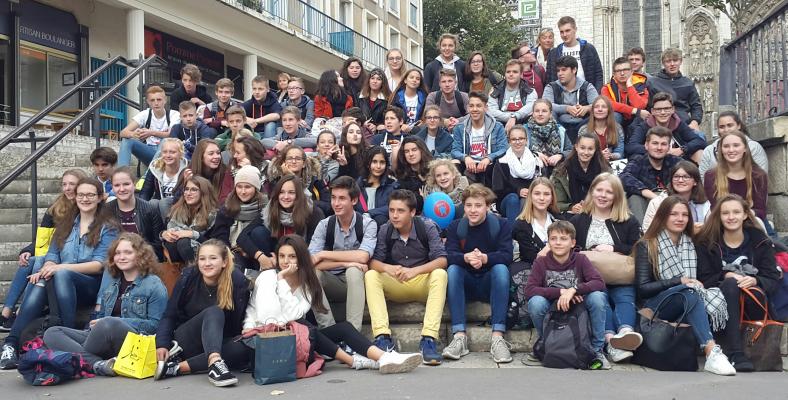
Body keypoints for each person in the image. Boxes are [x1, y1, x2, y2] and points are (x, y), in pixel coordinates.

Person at [245, 235, 422, 374]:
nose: (286, 261)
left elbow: (296, 313)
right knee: (306, 327)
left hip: (294, 340)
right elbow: (270, 318)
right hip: (263, 340)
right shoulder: (269, 278)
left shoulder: (307, 284)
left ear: (301, 259)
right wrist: (282, 280)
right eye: (282, 256)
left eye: (292, 256)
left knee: (341, 328)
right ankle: (356, 361)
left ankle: (383, 357)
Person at [1, 178, 119, 369]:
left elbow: (99, 265)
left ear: (100, 198)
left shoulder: (109, 226)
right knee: (40, 279)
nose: (85, 198)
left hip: (90, 285)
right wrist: (48, 266)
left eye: (90, 195)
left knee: (60, 275)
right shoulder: (66, 224)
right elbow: (52, 254)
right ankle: (10, 344)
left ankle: (67, 331)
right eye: (81, 195)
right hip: (59, 283)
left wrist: (59, 268)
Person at [634, 196, 736, 376]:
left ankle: (715, 352)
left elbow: (704, 278)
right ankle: (711, 351)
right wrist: (678, 281)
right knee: (689, 292)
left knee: (694, 293)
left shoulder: (693, 244)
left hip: (688, 300)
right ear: (663, 216)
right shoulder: (647, 244)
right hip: (656, 306)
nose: (680, 219)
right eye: (673, 214)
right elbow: (642, 289)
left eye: (684, 215)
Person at [42, 233, 168, 376]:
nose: (121, 257)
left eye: (128, 252)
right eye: (118, 253)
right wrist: (95, 324)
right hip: (102, 336)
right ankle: (98, 363)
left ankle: (80, 358)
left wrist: (116, 321)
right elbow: (101, 317)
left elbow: (156, 325)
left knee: (108, 323)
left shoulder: (153, 284)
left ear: (140, 255)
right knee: (52, 333)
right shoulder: (112, 283)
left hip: (133, 342)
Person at [696, 194, 781, 372]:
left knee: (737, 286)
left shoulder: (760, 241)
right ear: (719, 216)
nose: (731, 217)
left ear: (745, 215)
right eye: (725, 213)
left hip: (753, 302)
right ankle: (736, 353)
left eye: (736, 212)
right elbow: (703, 278)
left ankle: (735, 353)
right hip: (718, 305)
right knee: (729, 284)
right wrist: (725, 276)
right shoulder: (707, 243)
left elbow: (772, 279)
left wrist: (755, 280)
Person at [366, 189, 448, 365]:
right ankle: (382, 337)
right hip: (397, 281)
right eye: (391, 210)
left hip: (421, 282)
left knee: (440, 275)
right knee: (372, 275)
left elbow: (442, 260)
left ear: (412, 212)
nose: (394, 215)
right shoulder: (385, 230)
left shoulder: (427, 227)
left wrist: (415, 271)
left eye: (400, 211)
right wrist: (388, 268)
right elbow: (373, 263)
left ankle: (428, 340)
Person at [0, 169, 88, 331]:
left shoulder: (85, 206)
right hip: (53, 252)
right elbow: (43, 237)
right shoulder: (57, 206)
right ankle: (6, 311)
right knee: (28, 261)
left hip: (69, 257)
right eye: (64, 184)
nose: (68, 188)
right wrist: (28, 249)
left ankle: (22, 312)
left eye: (72, 184)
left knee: (39, 260)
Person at [154, 240, 251, 386]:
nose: (207, 263)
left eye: (213, 258)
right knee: (214, 312)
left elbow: (237, 324)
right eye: (202, 259)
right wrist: (162, 344)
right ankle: (215, 362)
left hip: (217, 342)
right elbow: (170, 315)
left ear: (224, 262)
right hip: (186, 341)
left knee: (245, 346)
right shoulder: (188, 277)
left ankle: (176, 368)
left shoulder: (237, 281)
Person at [569, 173, 642, 362]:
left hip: (619, 274)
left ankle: (626, 332)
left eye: (609, 192)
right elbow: (570, 248)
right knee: (600, 298)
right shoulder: (579, 220)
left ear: (617, 196)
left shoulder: (629, 221)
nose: (603, 195)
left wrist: (614, 248)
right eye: (599, 190)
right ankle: (611, 341)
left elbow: (638, 248)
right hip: (590, 276)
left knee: (624, 295)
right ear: (592, 191)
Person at [525, 220, 610, 369]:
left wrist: (574, 290)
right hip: (553, 307)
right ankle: (545, 344)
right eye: (553, 239)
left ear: (572, 243)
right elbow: (530, 289)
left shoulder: (581, 259)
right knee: (536, 302)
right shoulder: (541, 262)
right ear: (548, 242)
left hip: (578, 305)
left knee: (598, 297)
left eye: (563, 239)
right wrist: (560, 292)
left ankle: (597, 350)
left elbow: (599, 282)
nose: (558, 243)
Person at [443, 184, 513, 363]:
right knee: (452, 270)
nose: (473, 210)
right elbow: (449, 256)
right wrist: (465, 258)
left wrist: (484, 258)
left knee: (501, 269)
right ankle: (459, 336)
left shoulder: (501, 224)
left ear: (487, 206)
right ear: (463, 206)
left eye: (478, 205)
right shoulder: (455, 227)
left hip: (490, 282)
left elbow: (507, 255)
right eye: (468, 205)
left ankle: (497, 337)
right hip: (465, 282)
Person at [308, 176, 378, 331]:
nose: (336, 203)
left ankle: (353, 333)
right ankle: (329, 330)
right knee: (312, 273)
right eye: (333, 198)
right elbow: (312, 261)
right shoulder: (324, 225)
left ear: (353, 201)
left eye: (341, 198)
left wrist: (324, 254)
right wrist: (345, 262)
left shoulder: (367, 224)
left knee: (354, 270)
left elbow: (362, 257)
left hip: (359, 282)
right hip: (333, 282)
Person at [253, 175, 324, 270]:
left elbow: (315, 248)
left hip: (303, 259)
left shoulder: (312, 212)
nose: (286, 197)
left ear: (299, 195)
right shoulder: (271, 210)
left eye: (291, 193)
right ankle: (270, 269)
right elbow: (243, 237)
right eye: (282, 192)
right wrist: (261, 257)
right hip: (277, 256)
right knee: (258, 232)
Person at [619, 126, 682, 225]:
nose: (659, 148)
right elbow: (624, 177)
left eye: (664, 144)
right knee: (635, 197)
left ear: (669, 147)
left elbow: (691, 175)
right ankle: (640, 235)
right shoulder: (639, 160)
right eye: (655, 143)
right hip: (646, 203)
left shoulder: (675, 162)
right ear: (646, 145)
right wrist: (652, 196)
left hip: (671, 203)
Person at [208, 166, 267, 271]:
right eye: (239, 187)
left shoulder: (265, 208)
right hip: (234, 253)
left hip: (260, 252)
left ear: (256, 188)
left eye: (247, 187)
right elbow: (220, 239)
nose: (243, 191)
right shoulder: (226, 209)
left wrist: (250, 251)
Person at [703, 130, 769, 222]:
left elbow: (760, 210)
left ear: (745, 148)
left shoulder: (758, 175)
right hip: (721, 222)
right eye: (726, 146)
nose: (731, 150)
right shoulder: (711, 176)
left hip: (750, 219)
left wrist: (743, 216)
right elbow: (714, 208)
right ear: (721, 150)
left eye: (736, 145)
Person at [628, 93, 706, 162]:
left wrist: (682, 149)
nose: (663, 113)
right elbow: (631, 146)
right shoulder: (644, 126)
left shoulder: (678, 123)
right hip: (652, 161)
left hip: (677, 161)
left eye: (666, 109)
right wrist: (659, 150)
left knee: (700, 153)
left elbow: (699, 141)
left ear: (673, 110)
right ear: (652, 111)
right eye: (658, 109)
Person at [451, 91, 507, 185]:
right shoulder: (459, 128)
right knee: (454, 163)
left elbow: (503, 149)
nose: (474, 109)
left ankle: (495, 197)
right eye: (471, 106)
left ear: (486, 108)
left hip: (489, 166)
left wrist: (489, 158)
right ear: (468, 108)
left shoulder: (497, 127)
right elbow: (455, 150)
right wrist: (466, 157)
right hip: (468, 166)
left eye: (478, 106)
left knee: (499, 164)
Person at [108, 167, 164, 259]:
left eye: (126, 184)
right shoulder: (106, 210)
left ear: (134, 184)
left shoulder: (150, 210)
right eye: (117, 185)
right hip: (115, 260)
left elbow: (158, 245)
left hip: (143, 260)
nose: (122, 189)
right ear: (112, 188)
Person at [118, 85, 181, 166]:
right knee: (127, 140)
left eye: (159, 99)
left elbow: (172, 134)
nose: (156, 103)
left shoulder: (174, 114)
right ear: (148, 102)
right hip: (149, 151)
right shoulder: (145, 114)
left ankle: (150, 173)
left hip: (167, 153)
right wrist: (133, 134)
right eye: (152, 100)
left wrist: (151, 132)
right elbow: (123, 132)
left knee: (166, 140)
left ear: (165, 100)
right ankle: (122, 174)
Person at [552, 132, 611, 215]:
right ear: (576, 147)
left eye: (590, 149)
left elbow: (613, 197)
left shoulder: (605, 170)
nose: (586, 152)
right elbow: (556, 202)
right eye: (582, 148)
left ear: (595, 150)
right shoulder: (561, 171)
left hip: (599, 212)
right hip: (572, 216)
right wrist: (571, 207)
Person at [543, 55, 599, 144]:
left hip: (583, 124)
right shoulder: (551, 87)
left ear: (574, 70)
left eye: (564, 70)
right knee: (548, 112)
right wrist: (567, 108)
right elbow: (546, 105)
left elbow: (598, 104)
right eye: (558, 70)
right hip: (559, 124)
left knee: (599, 114)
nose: (560, 73)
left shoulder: (587, 86)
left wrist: (587, 108)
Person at [162, 176, 218, 264]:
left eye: (193, 190)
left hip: (206, 257)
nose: (188, 193)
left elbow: (216, 244)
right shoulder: (176, 210)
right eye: (186, 189)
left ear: (204, 193)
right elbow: (162, 233)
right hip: (177, 258)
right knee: (172, 242)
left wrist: (193, 234)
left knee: (183, 242)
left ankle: (194, 273)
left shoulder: (213, 215)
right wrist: (164, 234)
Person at [643, 161, 710, 232]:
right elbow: (647, 232)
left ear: (695, 182)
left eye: (686, 177)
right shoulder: (657, 203)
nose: (680, 180)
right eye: (676, 176)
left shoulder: (706, 205)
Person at [492, 125, 538, 225]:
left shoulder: (536, 161)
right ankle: (512, 234)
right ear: (509, 141)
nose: (518, 142)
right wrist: (518, 191)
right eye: (514, 139)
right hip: (507, 202)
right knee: (513, 198)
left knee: (526, 201)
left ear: (526, 140)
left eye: (521, 138)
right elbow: (497, 190)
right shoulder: (501, 162)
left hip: (530, 198)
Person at [699, 111, 768, 177]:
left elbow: (760, 176)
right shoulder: (709, 151)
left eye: (730, 125)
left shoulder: (753, 147)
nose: (726, 130)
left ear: (739, 126)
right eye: (722, 127)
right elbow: (703, 177)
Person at [649, 48, 703, 131]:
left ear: (680, 61)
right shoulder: (653, 83)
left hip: (684, 123)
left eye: (675, 60)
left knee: (700, 139)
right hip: (660, 124)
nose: (672, 64)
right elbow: (649, 107)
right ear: (663, 63)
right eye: (668, 61)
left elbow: (696, 106)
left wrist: (695, 122)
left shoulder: (688, 83)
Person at [512, 178, 563, 264]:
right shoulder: (520, 226)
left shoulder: (561, 221)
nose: (542, 198)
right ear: (530, 196)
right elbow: (529, 257)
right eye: (537, 194)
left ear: (552, 198)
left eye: (546, 194)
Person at [545, 16, 604, 90]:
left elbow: (598, 74)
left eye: (567, 31)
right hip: (562, 97)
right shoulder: (554, 53)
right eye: (561, 32)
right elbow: (549, 79)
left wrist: (596, 95)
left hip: (586, 95)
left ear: (575, 29)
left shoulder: (588, 49)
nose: (564, 35)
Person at [525, 99, 573, 175]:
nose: (540, 114)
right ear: (533, 114)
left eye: (544, 111)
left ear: (550, 114)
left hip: (557, 171)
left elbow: (571, 151)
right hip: (533, 172)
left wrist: (560, 155)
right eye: (537, 111)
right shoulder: (524, 130)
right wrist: (535, 154)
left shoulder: (560, 130)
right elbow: (516, 150)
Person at [488, 60, 538, 131]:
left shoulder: (530, 91)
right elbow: (491, 111)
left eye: (515, 72)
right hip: (500, 126)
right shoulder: (495, 91)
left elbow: (531, 107)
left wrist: (515, 117)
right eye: (508, 72)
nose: (511, 74)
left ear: (521, 74)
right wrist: (511, 117)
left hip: (524, 126)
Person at [600, 57, 649, 128]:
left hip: (635, 120)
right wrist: (634, 110)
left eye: (625, 70)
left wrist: (629, 86)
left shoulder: (641, 85)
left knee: (640, 119)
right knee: (614, 116)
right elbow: (609, 104)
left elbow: (640, 106)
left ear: (632, 71)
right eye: (618, 71)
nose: (622, 73)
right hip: (617, 120)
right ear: (614, 74)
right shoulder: (607, 88)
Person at [181, 139, 233, 204]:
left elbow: (226, 201)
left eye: (218, 153)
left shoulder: (225, 172)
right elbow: (178, 201)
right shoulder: (188, 172)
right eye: (211, 154)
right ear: (201, 157)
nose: (216, 156)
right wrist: (186, 185)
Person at [140, 138, 188, 208]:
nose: (168, 155)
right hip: (161, 209)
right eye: (164, 152)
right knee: (153, 203)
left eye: (172, 152)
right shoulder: (155, 168)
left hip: (181, 207)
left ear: (180, 154)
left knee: (164, 202)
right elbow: (145, 193)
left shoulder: (188, 168)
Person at [356, 146, 398, 226]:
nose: (378, 166)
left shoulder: (391, 185)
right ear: (368, 164)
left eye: (382, 162)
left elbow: (392, 207)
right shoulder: (358, 185)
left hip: (381, 228)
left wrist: (369, 213)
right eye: (374, 162)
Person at [577, 96, 624, 161]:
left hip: (610, 164)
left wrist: (610, 155)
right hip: (590, 165)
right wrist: (599, 155)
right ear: (592, 111)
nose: (600, 109)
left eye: (604, 107)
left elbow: (620, 153)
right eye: (596, 107)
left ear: (609, 111)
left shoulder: (617, 128)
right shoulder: (584, 130)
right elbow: (580, 153)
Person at [394, 136, 433, 212]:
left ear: (422, 150)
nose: (410, 154)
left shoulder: (433, 170)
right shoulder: (402, 176)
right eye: (406, 151)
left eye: (414, 150)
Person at [358, 68, 391, 133]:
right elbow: (356, 114)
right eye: (372, 78)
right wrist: (362, 123)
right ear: (369, 80)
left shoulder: (388, 98)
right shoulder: (359, 96)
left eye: (378, 79)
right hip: (361, 131)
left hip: (380, 133)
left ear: (383, 82)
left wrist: (376, 126)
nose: (375, 81)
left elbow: (390, 118)